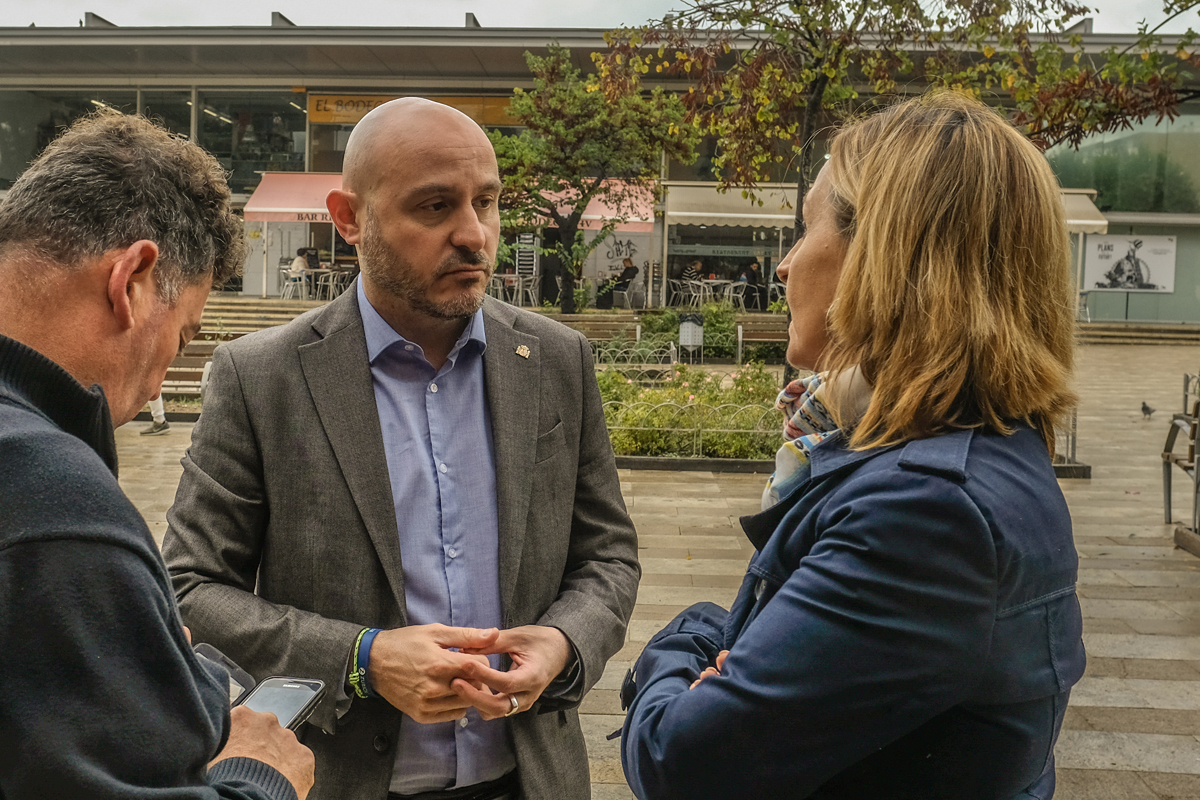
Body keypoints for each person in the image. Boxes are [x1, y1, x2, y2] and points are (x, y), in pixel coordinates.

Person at [162, 97, 640, 800]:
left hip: (529, 778)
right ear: (349, 217)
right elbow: (190, 589)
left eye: (487, 202)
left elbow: (607, 554)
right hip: (340, 781)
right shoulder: (260, 377)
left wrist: (565, 642)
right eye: (435, 207)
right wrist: (362, 659)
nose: (475, 234)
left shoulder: (556, 361)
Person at [620, 92, 1085, 799]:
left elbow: (678, 762)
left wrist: (687, 640)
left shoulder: (928, 511)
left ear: (882, 255)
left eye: (806, 231)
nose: (784, 265)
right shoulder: (975, 452)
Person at [0, 112, 314, 800]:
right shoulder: (56, 504)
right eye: (182, 335)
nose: (154, 385)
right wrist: (260, 774)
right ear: (133, 279)